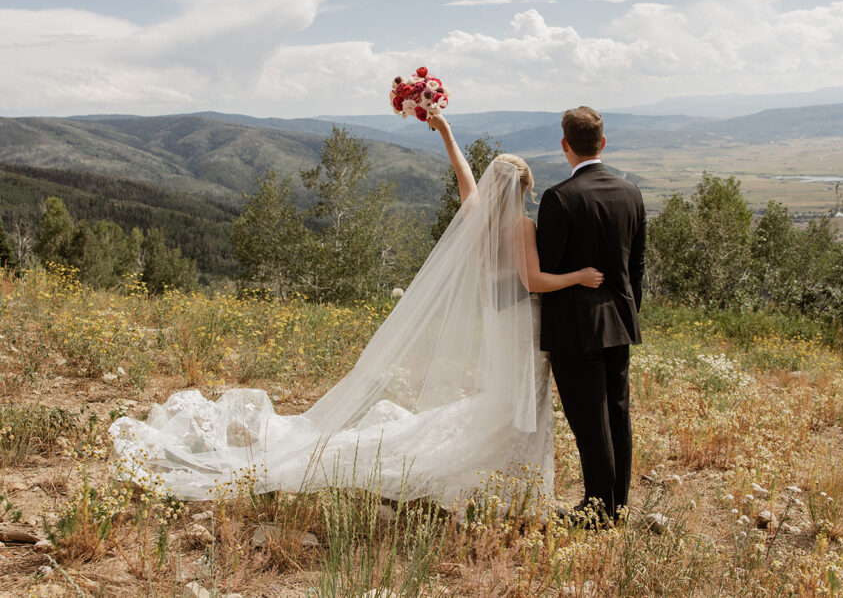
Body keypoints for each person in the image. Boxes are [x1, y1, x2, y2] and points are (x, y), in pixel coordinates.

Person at [109, 113, 602, 513]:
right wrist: (578, 277)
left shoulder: (475, 219)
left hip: (499, 323)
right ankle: (518, 486)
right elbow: (533, 281)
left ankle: (513, 481)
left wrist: (447, 132)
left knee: (507, 399)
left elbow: (463, 176)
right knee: (523, 401)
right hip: (521, 323)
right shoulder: (521, 228)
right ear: (525, 188)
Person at [537, 106, 646, 523]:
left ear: (565, 145)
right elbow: (636, 267)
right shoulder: (631, 192)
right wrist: (625, 310)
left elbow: (547, 269)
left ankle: (598, 511)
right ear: (603, 142)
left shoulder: (559, 198)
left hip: (574, 330)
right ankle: (616, 503)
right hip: (620, 321)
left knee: (589, 421)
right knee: (618, 414)